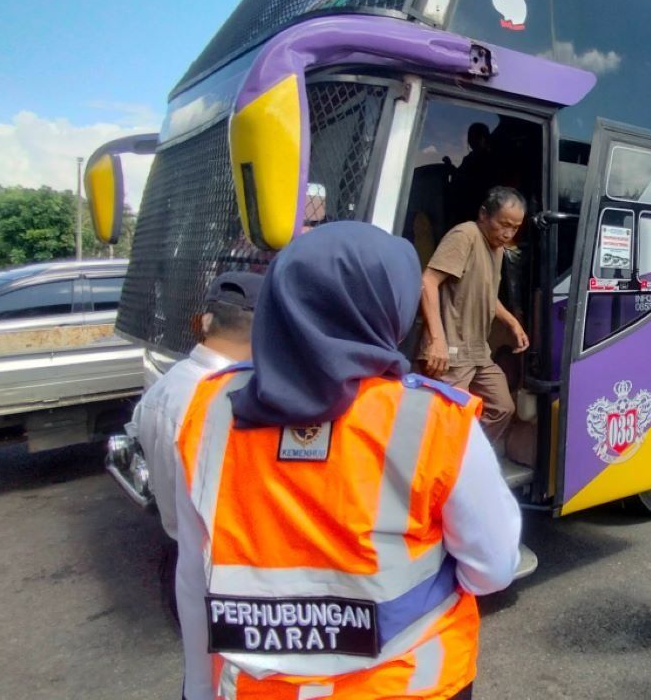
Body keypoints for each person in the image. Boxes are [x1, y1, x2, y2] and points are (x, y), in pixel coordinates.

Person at [174, 222, 521, 700]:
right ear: (388, 310)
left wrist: (196, 689)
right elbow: (493, 568)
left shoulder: (208, 411)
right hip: (406, 685)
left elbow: (194, 573)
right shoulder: (435, 421)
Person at [128, 270, 263, 623]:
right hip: (225, 573)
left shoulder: (167, 384)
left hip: (179, 555)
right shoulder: (230, 402)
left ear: (204, 322)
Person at [418, 186, 529, 457]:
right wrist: (437, 340)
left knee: (502, 407)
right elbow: (428, 282)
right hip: (450, 352)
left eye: (514, 228)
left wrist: (512, 322)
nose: (507, 233)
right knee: (447, 419)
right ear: (483, 214)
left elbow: (487, 294)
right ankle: (441, 473)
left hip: (478, 352)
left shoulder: (498, 249)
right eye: (503, 224)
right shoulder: (465, 235)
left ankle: (464, 461)